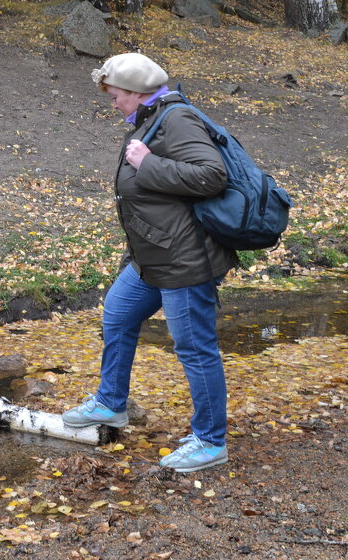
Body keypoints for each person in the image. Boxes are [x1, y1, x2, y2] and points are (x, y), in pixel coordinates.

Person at [62, 52, 238, 473]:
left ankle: (211, 442)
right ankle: (110, 404)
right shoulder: (150, 118)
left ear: (139, 92)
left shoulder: (177, 119)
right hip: (151, 258)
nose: (113, 104)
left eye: (116, 95)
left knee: (194, 349)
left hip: (183, 259)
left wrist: (148, 162)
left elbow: (212, 176)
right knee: (118, 315)